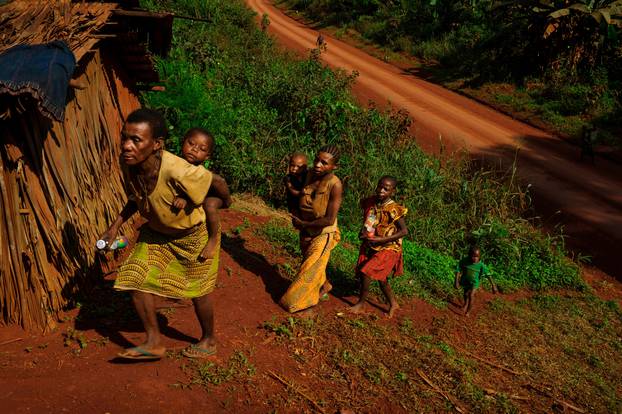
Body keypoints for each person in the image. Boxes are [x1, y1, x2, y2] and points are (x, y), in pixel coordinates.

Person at [99, 108, 231, 360]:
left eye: (136, 140)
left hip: (192, 236)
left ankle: (209, 339)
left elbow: (219, 182)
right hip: (157, 234)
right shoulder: (129, 162)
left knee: (198, 291)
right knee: (135, 278)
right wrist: (115, 225)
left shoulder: (179, 169)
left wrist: (224, 202)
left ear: (157, 144)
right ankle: (153, 342)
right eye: (124, 138)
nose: (127, 146)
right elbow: (135, 197)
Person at [280, 145, 343, 314]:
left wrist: (305, 224)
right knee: (311, 264)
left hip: (323, 232)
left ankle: (302, 304)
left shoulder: (335, 185)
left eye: (324, 163)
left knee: (307, 273)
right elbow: (295, 195)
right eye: (316, 160)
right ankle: (325, 286)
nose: (318, 165)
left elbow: (329, 219)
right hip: (305, 229)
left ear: (334, 167)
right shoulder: (308, 175)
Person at [349, 176, 407, 318]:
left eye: (386, 189)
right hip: (373, 243)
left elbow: (404, 231)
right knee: (381, 279)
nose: (381, 190)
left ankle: (361, 304)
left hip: (389, 247)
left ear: (392, 191)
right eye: (380, 187)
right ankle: (393, 303)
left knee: (366, 271)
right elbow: (369, 218)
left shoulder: (393, 209)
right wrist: (363, 233)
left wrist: (382, 239)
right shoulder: (373, 201)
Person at [171, 128, 224, 260]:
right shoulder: (174, 164)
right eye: (191, 143)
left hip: (212, 196)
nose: (194, 149)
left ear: (207, 156)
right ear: (183, 143)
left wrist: (185, 199)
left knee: (210, 205)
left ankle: (213, 239)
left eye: (202, 148)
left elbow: (198, 193)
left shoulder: (201, 172)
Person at [454, 245, 498, 316]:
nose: (475, 258)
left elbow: (488, 275)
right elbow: (458, 270)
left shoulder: (481, 265)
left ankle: (468, 312)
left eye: (477, 256)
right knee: (465, 294)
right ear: (469, 255)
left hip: (475, 283)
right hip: (465, 281)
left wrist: (493, 286)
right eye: (473, 256)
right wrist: (456, 281)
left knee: (471, 295)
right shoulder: (464, 261)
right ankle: (465, 304)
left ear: (480, 256)